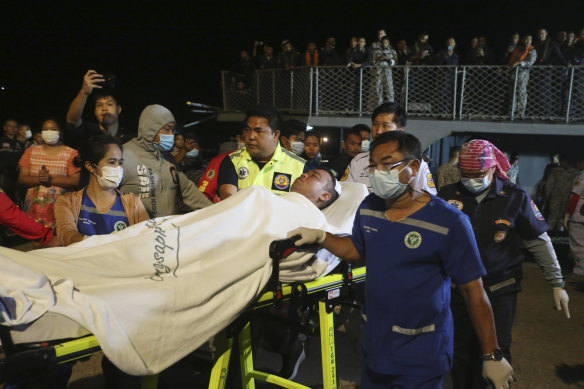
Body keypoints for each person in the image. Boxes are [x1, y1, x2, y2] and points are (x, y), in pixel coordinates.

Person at [288, 131, 513, 389]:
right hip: (375, 343)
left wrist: (492, 354)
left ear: (413, 166)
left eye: (388, 163)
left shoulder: (449, 222)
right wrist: (321, 236)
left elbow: (473, 291)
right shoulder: (370, 207)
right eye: (374, 165)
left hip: (421, 351)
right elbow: (356, 250)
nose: (378, 172)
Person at [438, 139, 569, 389]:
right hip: (460, 289)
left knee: (497, 348)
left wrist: (556, 282)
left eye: (478, 174)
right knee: (460, 347)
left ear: (492, 169)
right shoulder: (447, 196)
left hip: (500, 288)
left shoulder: (514, 196)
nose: (471, 179)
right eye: (465, 175)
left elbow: (538, 241)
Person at [54, 134, 149, 389]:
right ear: (90, 166)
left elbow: (145, 243)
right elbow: (67, 235)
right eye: (112, 162)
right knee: (57, 363)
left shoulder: (132, 203)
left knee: (126, 367)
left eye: (120, 162)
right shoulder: (68, 202)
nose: (117, 169)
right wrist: (113, 247)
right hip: (79, 292)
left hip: (121, 296)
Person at [119, 104, 212, 218]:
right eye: (167, 129)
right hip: (138, 232)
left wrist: (215, 212)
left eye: (172, 130)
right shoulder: (124, 155)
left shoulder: (168, 158)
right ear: (151, 128)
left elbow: (187, 190)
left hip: (166, 231)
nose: (171, 135)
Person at [343, 102, 436, 194]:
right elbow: (345, 194)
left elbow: (427, 198)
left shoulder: (414, 163)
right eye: (375, 124)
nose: (378, 131)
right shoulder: (358, 161)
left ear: (400, 130)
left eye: (385, 125)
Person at [217, 104, 305, 200]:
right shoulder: (232, 161)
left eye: (258, 131)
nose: (251, 136)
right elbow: (228, 198)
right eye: (247, 130)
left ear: (275, 135)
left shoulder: (300, 166)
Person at [17, 119, 80, 228]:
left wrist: (50, 179)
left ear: (60, 133)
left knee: (59, 240)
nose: (49, 132)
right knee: (36, 242)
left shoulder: (71, 153)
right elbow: (22, 178)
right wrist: (40, 179)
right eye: (45, 129)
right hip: (34, 208)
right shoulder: (31, 151)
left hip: (60, 208)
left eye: (53, 129)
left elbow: (76, 180)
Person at [66, 70, 133, 145]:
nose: (104, 108)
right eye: (99, 105)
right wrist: (84, 92)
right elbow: (72, 121)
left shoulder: (130, 138)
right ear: (94, 111)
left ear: (119, 109)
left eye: (109, 104)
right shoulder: (89, 132)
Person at [545, 153, 579, 234]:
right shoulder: (556, 170)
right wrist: (548, 194)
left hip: (567, 196)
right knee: (553, 213)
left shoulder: (575, 172)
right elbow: (549, 184)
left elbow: (576, 185)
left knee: (563, 214)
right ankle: (551, 230)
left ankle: (561, 230)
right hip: (557, 195)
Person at [508, 34, 536, 119]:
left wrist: (519, 63)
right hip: (513, 74)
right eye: (525, 40)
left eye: (529, 40)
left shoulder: (532, 51)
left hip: (522, 74)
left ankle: (520, 112)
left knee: (521, 92)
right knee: (512, 92)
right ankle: (512, 111)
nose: (526, 41)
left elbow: (530, 62)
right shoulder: (518, 49)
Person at [564, 159, 584, 276]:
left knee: (578, 246)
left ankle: (580, 272)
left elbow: (575, 197)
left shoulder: (582, 177)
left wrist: (567, 214)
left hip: (579, 216)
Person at [369, 36, 397, 110]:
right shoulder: (376, 51)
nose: (384, 44)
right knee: (378, 90)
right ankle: (379, 108)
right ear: (381, 43)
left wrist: (388, 59)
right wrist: (378, 58)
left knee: (389, 91)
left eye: (386, 42)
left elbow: (395, 62)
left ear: (388, 43)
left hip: (388, 73)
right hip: (378, 73)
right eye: (383, 42)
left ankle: (391, 108)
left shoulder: (392, 51)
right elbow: (372, 62)